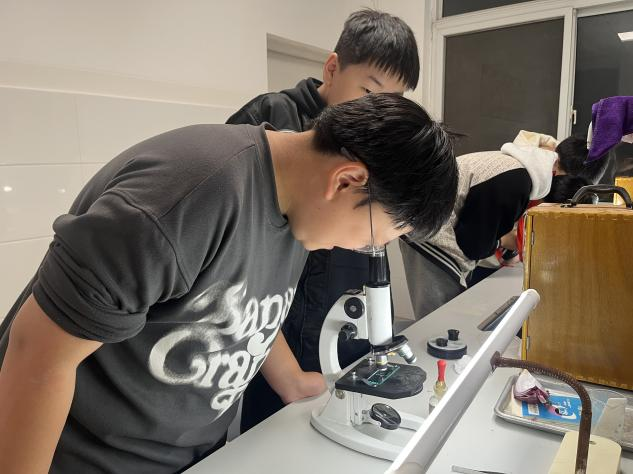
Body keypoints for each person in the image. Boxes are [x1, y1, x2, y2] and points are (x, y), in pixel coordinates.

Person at [0, 93, 457, 474]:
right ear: (346, 181)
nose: (362, 248)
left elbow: (239, 306)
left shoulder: (300, 207)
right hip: (85, 458)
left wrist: (292, 381)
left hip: (192, 455)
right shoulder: (186, 198)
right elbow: (36, 358)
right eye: (375, 236)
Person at [227, 8, 421, 432]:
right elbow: (235, 270)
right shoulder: (273, 121)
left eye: (392, 101)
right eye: (368, 92)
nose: (377, 111)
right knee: (274, 434)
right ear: (332, 69)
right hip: (275, 333)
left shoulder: (375, 142)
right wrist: (284, 371)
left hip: (342, 315)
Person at [400, 134, 591, 319]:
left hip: (429, 223)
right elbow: (473, 245)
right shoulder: (517, 181)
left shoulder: (521, 167)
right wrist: (503, 241)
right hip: (432, 234)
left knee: (447, 318)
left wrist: (504, 243)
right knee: (439, 322)